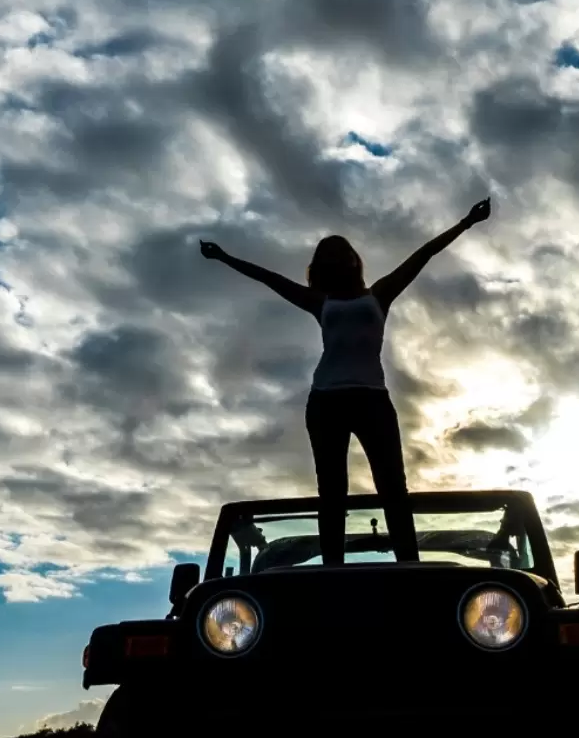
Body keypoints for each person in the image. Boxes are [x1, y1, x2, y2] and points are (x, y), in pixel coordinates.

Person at [199, 198, 492, 565]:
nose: (340, 257)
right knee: (332, 492)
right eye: (331, 254)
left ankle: (409, 567)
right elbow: (269, 278)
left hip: (372, 399)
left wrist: (466, 222)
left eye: (344, 251)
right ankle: (332, 569)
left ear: (355, 259)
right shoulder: (320, 301)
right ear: (324, 266)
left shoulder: (380, 294)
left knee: (393, 489)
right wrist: (224, 257)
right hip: (326, 401)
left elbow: (424, 254)